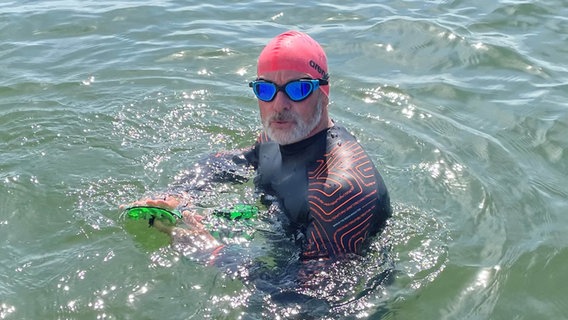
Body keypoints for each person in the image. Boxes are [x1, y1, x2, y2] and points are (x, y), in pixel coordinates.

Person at [124, 30, 391, 262]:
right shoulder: (275, 137)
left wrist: (210, 252)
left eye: (298, 89)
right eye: (266, 90)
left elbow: (310, 303)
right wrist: (181, 193)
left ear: (325, 90)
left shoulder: (341, 190)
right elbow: (231, 162)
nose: (279, 105)